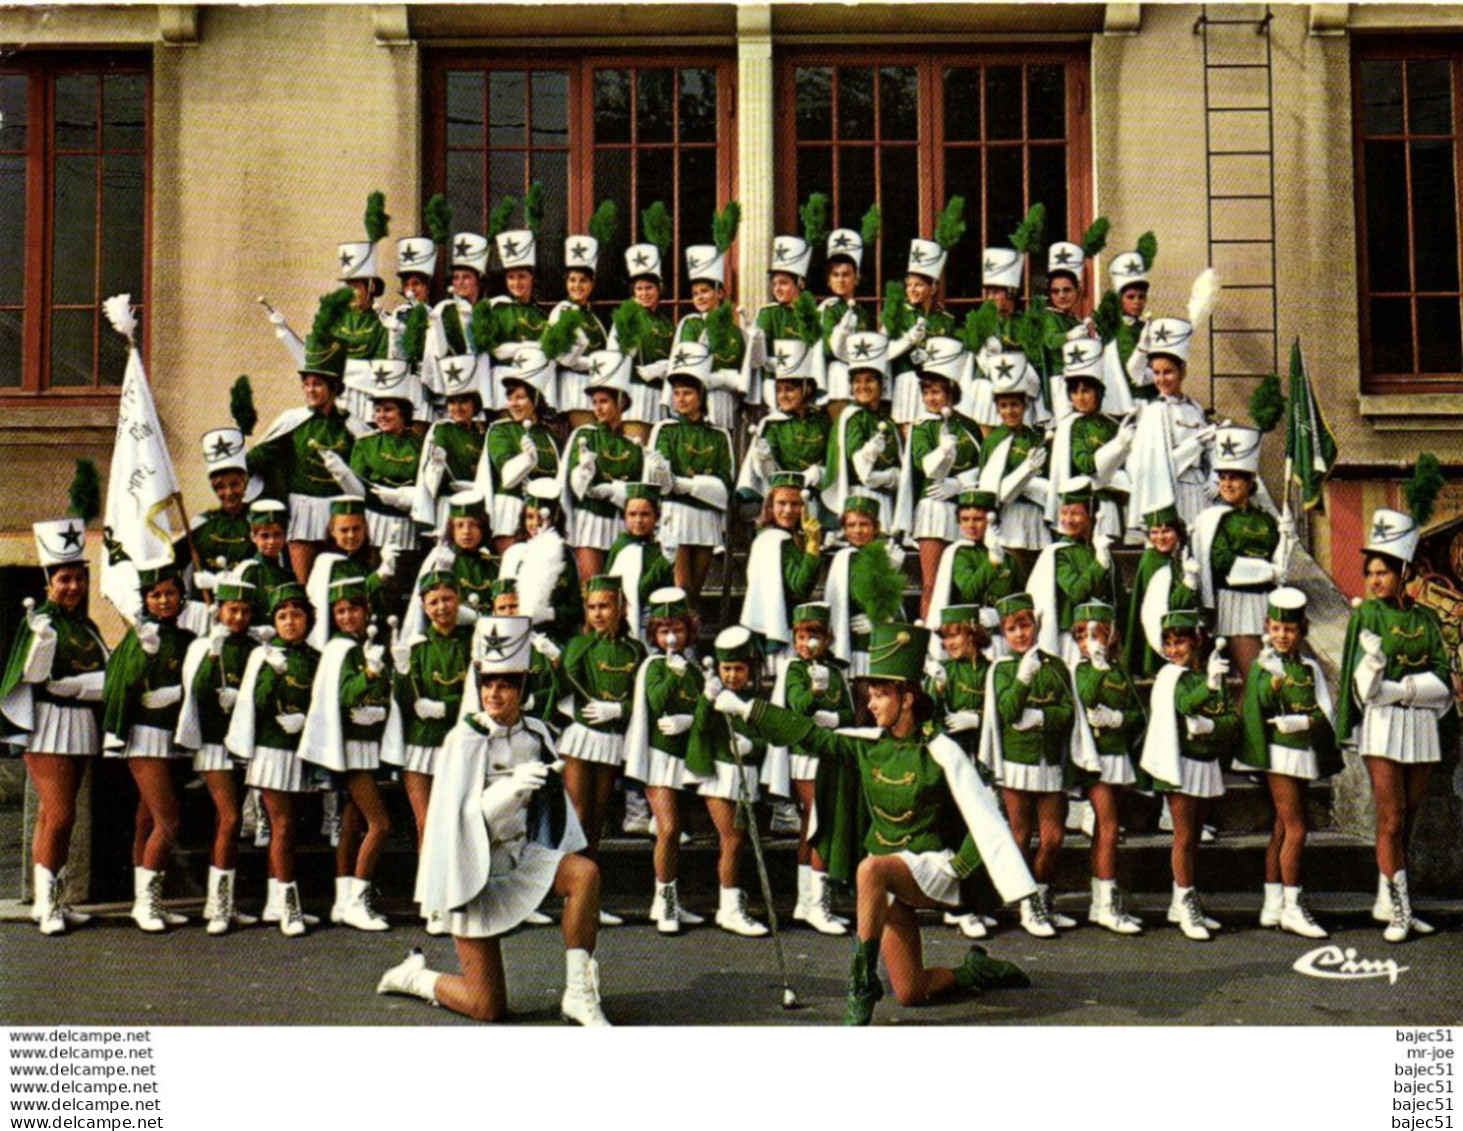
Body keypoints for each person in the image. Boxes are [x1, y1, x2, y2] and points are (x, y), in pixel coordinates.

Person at [715, 622, 1035, 1025]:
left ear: (907, 699)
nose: (871, 704)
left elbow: (986, 815)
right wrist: (746, 709)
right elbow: (809, 735)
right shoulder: (867, 746)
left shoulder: (940, 750)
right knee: (911, 991)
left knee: (870, 868)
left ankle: (862, 983)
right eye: (870, 695)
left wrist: (960, 866)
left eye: (881, 695)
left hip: (932, 869)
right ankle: (976, 971)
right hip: (886, 878)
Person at [376, 614, 609, 1025]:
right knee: (488, 1008)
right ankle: (416, 977)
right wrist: (511, 789)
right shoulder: (463, 739)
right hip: (474, 874)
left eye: (505, 685)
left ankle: (578, 994)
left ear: (522, 689)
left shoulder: (536, 734)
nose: (494, 693)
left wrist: (547, 792)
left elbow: (553, 809)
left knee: (584, 874)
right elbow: (456, 823)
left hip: (521, 860)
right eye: (487, 683)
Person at [1336, 501, 1455, 943]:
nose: (1374, 581)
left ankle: (1389, 897)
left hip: (1421, 727)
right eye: (1370, 573)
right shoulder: (1366, 615)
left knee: (1410, 818)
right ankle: (1401, 910)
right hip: (1382, 725)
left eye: (1383, 572)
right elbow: (1360, 688)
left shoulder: (1426, 618)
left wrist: (1402, 688)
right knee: (1391, 817)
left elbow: (1443, 679)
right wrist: (1372, 667)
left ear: (1404, 572)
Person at [1, 520, 109, 935]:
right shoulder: (39, 621)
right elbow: (32, 676)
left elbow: (105, 674)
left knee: (55, 817)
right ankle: (47, 904)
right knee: (60, 816)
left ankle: (54, 900)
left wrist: (85, 687)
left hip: (79, 722)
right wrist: (41, 645)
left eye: (79, 578)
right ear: (48, 583)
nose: (73, 586)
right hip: (50, 724)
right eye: (65, 579)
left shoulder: (85, 625)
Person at [976, 593, 1082, 938]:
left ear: (1035, 625)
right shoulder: (1002, 669)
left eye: (1025, 626)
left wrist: (1041, 717)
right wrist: (1022, 680)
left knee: (1053, 838)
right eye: (1011, 629)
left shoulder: (1056, 666)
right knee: (1020, 836)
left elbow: (1068, 712)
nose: (1020, 634)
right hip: (1016, 762)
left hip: (1049, 762)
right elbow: (1006, 712)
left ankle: (1042, 895)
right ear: (1003, 633)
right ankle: (1027, 904)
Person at [100, 562, 196, 932]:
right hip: (143, 736)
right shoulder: (138, 636)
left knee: (147, 818)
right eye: (155, 595)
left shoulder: (185, 638)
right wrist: (145, 655)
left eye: (170, 593)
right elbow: (122, 681)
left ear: (181, 596)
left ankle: (146, 900)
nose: (164, 600)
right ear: (146, 600)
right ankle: (147, 904)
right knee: (168, 819)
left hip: (169, 736)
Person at [1239, 587, 1339, 939]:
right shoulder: (1264, 666)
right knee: (1298, 828)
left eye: (1290, 629)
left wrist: (1306, 722)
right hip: (1279, 754)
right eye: (1277, 628)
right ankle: (1294, 909)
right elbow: (1259, 704)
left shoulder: (1310, 668)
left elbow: (1326, 712)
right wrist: (1270, 678)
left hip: (1303, 753)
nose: (1282, 635)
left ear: (1301, 630)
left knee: (1283, 827)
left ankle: (1273, 904)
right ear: (1267, 628)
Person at [225, 582, 321, 936]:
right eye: (282, 616)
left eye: (296, 614)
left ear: (308, 619)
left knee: (288, 827)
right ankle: (291, 908)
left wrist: (307, 720)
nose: (290, 621)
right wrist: (271, 674)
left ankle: (275, 903)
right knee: (281, 825)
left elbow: (322, 703)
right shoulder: (263, 655)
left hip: (300, 750)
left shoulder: (315, 658)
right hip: (271, 750)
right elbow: (257, 702)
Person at [300, 573, 393, 932]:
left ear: (365, 610)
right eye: (340, 611)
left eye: (353, 609)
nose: (348, 616)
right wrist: (370, 674)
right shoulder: (342, 649)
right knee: (380, 824)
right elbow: (346, 695)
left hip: (363, 744)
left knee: (353, 821)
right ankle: (357, 902)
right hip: (351, 748)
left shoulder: (356, 646)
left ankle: (343, 900)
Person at [1139, 610, 1237, 941]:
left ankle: (1180, 901)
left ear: (1197, 640)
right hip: (1179, 763)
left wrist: (1212, 726)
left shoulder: (1213, 672)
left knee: (1194, 835)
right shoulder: (1170, 676)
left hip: (1205, 763)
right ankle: (1186, 902)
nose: (1173, 650)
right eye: (1167, 643)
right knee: (1183, 836)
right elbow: (1184, 705)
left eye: (1179, 642)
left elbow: (1230, 721)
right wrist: (1208, 686)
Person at [247, 318, 368, 585]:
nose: (310, 390)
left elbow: (367, 467)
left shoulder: (351, 424)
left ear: (333, 387)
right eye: (307, 384)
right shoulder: (293, 421)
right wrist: (233, 469)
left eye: (317, 384)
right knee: (304, 583)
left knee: (340, 583)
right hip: (303, 511)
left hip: (341, 511)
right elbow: (259, 456)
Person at [760, 602, 853, 936]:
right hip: (806, 756)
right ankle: (818, 905)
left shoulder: (835, 671)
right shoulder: (794, 670)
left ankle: (806, 901)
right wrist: (815, 692)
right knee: (822, 824)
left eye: (813, 636)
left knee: (810, 826)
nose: (806, 643)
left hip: (830, 752)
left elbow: (849, 712)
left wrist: (834, 718)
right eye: (800, 637)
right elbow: (799, 705)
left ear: (826, 639)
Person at [174, 570, 258, 935]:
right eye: (231, 610)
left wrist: (243, 699)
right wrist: (212, 656)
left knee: (233, 822)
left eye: (244, 610)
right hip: (213, 743)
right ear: (219, 610)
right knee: (230, 818)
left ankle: (222, 902)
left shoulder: (254, 647)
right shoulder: (203, 645)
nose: (238, 617)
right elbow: (195, 692)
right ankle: (219, 907)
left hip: (243, 743)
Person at [382, 568, 473, 905]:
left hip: (457, 741)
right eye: (433, 601)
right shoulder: (416, 647)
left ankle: (460, 893)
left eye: (447, 599)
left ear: (458, 600)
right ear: (423, 606)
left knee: (458, 823)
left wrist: (445, 707)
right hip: (420, 745)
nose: (441, 607)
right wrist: (403, 672)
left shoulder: (471, 643)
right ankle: (432, 898)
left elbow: (477, 695)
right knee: (427, 824)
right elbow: (405, 703)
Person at [621, 587, 709, 933]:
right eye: (664, 631)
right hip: (658, 758)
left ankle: (666, 900)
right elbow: (657, 700)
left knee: (674, 833)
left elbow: (704, 709)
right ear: (654, 635)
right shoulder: (654, 666)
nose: (671, 638)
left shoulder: (694, 669)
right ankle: (666, 904)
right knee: (669, 829)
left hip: (684, 758)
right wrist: (673, 674)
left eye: (678, 630)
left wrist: (691, 720)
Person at [557, 575, 646, 897]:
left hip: (611, 738)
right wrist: (555, 663)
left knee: (597, 817)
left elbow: (643, 698)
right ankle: (568, 886)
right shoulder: (579, 645)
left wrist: (619, 710)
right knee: (578, 812)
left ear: (620, 608)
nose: (597, 613)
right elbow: (563, 687)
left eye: (604, 606)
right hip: (582, 736)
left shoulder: (635, 650)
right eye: (592, 607)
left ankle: (588, 891)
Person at [687, 626, 777, 937]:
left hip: (745, 776)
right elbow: (700, 729)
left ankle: (733, 899)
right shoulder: (714, 698)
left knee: (739, 843)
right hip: (720, 776)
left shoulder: (754, 700)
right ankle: (729, 908)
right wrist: (706, 700)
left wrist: (753, 746)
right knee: (732, 841)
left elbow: (767, 739)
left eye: (739, 669)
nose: (732, 675)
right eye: (727, 668)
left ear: (750, 670)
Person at [1191, 425, 1290, 694]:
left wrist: (1287, 538)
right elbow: (1225, 564)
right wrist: (1269, 571)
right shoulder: (1213, 520)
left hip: (1266, 605)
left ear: (1249, 481)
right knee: (1254, 680)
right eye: (1222, 478)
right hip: (1236, 606)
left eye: (1234, 478)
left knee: (1271, 685)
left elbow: (1280, 562)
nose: (1226, 484)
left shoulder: (1266, 519)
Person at [1068, 600, 1147, 934]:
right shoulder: (1081, 671)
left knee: (1106, 831)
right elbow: (1085, 697)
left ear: (1111, 636)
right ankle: (1106, 901)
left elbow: (1137, 715)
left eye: (1096, 635)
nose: (1089, 644)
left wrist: (1117, 719)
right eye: (1082, 637)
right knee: (1109, 827)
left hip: (1118, 757)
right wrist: (1098, 673)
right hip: (1094, 760)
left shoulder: (1118, 672)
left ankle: (1101, 901)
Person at [1124, 270, 1222, 531]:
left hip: (1197, 489)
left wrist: (1214, 477)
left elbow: (1211, 449)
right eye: (1156, 373)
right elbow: (1134, 371)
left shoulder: (1195, 408)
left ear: (1182, 372)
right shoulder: (1154, 411)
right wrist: (1143, 344)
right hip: (1167, 491)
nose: (1161, 379)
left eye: (1168, 372)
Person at [926, 604, 998, 939]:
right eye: (945, 637)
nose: (949, 643)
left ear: (972, 633)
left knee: (981, 830)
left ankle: (979, 903)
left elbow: (1002, 713)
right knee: (957, 833)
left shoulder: (992, 670)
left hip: (982, 762)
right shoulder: (945, 671)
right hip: (954, 764)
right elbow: (930, 722)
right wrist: (936, 692)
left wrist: (978, 720)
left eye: (955, 635)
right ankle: (960, 908)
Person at [645, 343, 734, 610]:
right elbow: (662, 480)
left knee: (696, 590)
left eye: (687, 393)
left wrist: (686, 483)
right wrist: (663, 474)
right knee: (681, 587)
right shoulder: (666, 429)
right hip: (676, 514)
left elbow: (725, 479)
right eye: (676, 393)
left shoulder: (719, 435)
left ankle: (690, 632)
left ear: (701, 395)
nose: (680, 399)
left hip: (706, 515)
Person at [903, 338, 983, 620]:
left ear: (951, 390)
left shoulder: (968, 425)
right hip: (934, 510)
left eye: (936, 391)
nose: (931, 398)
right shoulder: (922, 426)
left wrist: (959, 484)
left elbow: (983, 466)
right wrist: (943, 453)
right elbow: (926, 468)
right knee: (932, 584)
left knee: (961, 585)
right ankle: (930, 638)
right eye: (926, 392)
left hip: (964, 509)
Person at [564, 349, 646, 583]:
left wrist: (614, 490)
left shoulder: (633, 446)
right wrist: (582, 473)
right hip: (589, 521)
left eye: (604, 401)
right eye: (595, 402)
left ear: (620, 402)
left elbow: (638, 490)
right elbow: (573, 484)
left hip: (620, 522)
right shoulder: (585, 435)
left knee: (620, 589)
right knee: (591, 587)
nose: (597, 408)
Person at [1043, 338, 1135, 543]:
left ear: (1098, 392)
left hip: (1110, 505)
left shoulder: (1112, 425)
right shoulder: (1071, 426)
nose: (1080, 397)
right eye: (1074, 392)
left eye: (1086, 391)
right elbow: (1084, 464)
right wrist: (1116, 449)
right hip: (1081, 506)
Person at [823, 331, 912, 539]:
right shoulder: (852, 417)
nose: (863, 386)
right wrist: (886, 476)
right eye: (857, 381)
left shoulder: (888, 423)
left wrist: (894, 477)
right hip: (859, 500)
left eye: (870, 380)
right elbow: (860, 468)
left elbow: (899, 466)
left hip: (886, 504)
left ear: (882, 384)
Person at [1027, 480, 1123, 666]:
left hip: (1104, 635)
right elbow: (1076, 592)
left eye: (1076, 514)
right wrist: (1099, 563)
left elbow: (1116, 596)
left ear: (1092, 516)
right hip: (1074, 639)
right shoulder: (1059, 553)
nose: (1068, 520)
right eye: (1064, 513)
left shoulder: (1101, 548)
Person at [478, 345, 561, 555]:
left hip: (545, 515)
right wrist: (527, 460)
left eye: (520, 397)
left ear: (536, 398)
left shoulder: (550, 436)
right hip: (511, 512)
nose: (513, 404)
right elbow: (507, 478)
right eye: (510, 397)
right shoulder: (500, 430)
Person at [676, 202, 752, 430]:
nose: (699, 297)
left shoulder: (736, 332)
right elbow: (688, 365)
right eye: (695, 293)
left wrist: (727, 380)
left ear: (719, 293)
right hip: (698, 403)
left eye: (705, 291)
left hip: (729, 403)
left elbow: (744, 369)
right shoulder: (690, 324)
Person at [884, 206, 962, 428]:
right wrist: (908, 340)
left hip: (939, 388)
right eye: (909, 285)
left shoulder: (945, 319)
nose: (912, 290)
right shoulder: (897, 314)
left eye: (918, 285)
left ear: (933, 287)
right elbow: (883, 352)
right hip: (908, 382)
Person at [737, 338, 832, 512]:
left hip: (819, 497)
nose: (783, 396)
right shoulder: (773, 424)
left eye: (790, 389)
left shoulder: (823, 420)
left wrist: (820, 473)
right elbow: (767, 474)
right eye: (779, 390)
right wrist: (764, 458)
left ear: (806, 389)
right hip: (784, 500)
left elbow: (834, 462)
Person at [926, 490, 1025, 657]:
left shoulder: (1008, 558)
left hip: (1003, 636)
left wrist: (1001, 614)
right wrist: (992, 562)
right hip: (969, 640)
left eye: (978, 519)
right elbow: (969, 591)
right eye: (965, 519)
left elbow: (1020, 598)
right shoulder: (959, 554)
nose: (971, 525)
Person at [740, 471, 823, 663]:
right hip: (783, 629)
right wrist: (813, 544)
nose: (788, 510)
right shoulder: (780, 542)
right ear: (770, 506)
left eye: (795, 504)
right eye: (782, 503)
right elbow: (801, 587)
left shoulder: (765, 536)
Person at [822, 493, 908, 678]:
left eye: (864, 524)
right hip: (855, 642)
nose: (858, 530)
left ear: (875, 527)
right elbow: (855, 596)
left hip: (880, 638)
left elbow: (895, 607)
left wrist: (881, 618)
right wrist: (885, 574)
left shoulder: (883, 554)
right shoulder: (845, 558)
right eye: (851, 525)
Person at [977, 355, 1051, 560]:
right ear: (997, 408)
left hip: (1036, 513)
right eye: (1004, 406)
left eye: (1015, 405)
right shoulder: (993, 441)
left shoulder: (1035, 437)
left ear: (1024, 405)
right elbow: (988, 486)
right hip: (1009, 516)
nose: (1009, 411)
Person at [474, 209, 549, 411]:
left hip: (533, 385)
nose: (517, 283)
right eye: (511, 277)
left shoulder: (540, 315)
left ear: (532, 277)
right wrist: (530, 347)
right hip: (503, 383)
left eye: (522, 276)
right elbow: (496, 350)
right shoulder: (497, 309)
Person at [548, 204, 614, 430]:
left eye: (583, 281)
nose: (577, 286)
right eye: (572, 280)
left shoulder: (594, 318)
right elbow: (560, 356)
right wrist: (594, 364)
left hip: (597, 388)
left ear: (592, 284)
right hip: (574, 389)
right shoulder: (562, 311)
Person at [610, 216, 676, 439]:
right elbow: (615, 356)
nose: (645, 293)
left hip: (662, 397)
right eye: (639, 289)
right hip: (635, 396)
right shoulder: (627, 317)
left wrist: (664, 367)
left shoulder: (667, 323)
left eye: (649, 288)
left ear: (659, 289)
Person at [498, 479, 583, 647]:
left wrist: (550, 614)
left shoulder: (565, 556)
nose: (535, 524)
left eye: (543, 518)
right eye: (530, 517)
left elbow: (577, 611)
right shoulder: (514, 554)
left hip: (557, 638)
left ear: (555, 518)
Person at [413, 351, 489, 536]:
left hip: (475, 503)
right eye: (452, 403)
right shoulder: (442, 429)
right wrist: (436, 465)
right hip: (448, 504)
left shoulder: (481, 434)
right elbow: (430, 481)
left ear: (474, 404)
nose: (457, 408)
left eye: (463, 402)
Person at [1125, 506, 1202, 678]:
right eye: (1154, 532)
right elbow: (1163, 604)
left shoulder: (1177, 555)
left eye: (1166, 531)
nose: (1160, 537)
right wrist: (1187, 584)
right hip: (1165, 629)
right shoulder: (1152, 561)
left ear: (1178, 532)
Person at [819, 207, 880, 417]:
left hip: (861, 378)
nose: (841, 280)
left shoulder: (862, 312)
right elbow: (830, 348)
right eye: (835, 275)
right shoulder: (828, 309)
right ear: (829, 280)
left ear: (856, 277)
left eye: (846, 274)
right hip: (837, 375)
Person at [183, 428, 255, 585]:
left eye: (234, 484)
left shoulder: (258, 521)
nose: (229, 492)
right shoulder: (201, 523)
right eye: (220, 487)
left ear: (245, 483)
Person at [605, 483, 674, 643]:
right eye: (632, 514)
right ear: (625, 516)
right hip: (630, 620)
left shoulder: (661, 547)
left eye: (645, 514)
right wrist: (664, 562)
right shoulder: (621, 546)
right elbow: (637, 590)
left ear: (656, 516)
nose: (638, 520)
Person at [1102, 233, 1157, 404]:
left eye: (1141, 297)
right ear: (1120, 299)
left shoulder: (1144, 326)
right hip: (1134, 400)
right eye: (1130, 297)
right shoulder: (1119, 330)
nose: (1137, 302)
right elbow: (1133, 373)